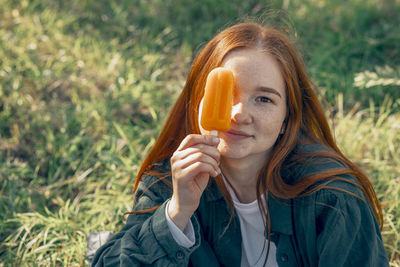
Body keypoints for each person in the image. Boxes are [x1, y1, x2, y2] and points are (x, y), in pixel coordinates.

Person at [91, 21, 389, 266]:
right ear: (198, 102)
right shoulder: (170, 182)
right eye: (226, 93)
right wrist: (177, 212)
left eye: (263, 99)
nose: (239, 114)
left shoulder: (334, 200)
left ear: (287, 118)